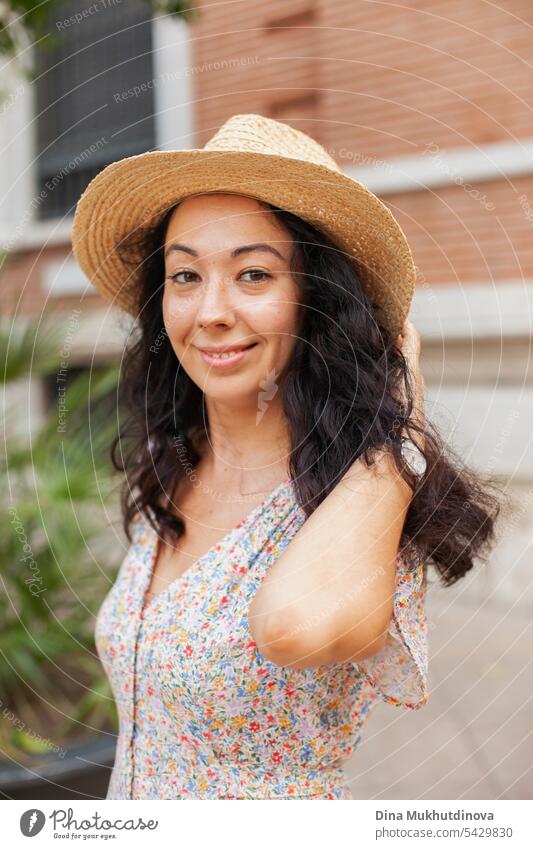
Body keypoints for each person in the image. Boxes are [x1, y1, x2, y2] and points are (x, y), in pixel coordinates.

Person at [72, 114, 501, 800]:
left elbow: (294, 625)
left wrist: (403, 412)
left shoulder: (362, 500)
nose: (210, 310)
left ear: (316, 301)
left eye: (251, 273)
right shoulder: (175, 464)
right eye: (185, 275)